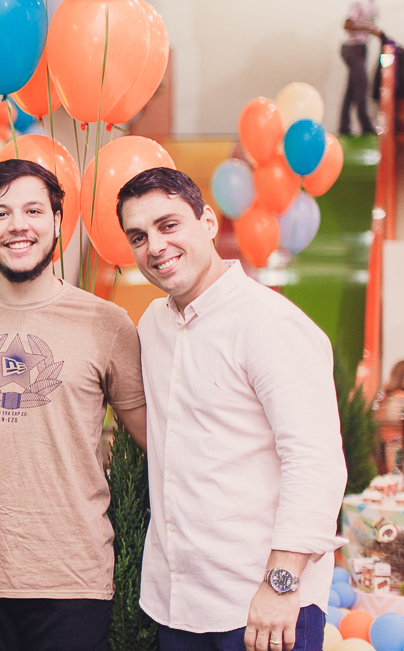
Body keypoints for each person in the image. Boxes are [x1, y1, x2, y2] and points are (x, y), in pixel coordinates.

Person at [117, 167, 346, 651]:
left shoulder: (271, 324)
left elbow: (316, 463)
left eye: (168, 224)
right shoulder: (154, 323)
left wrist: (280, 586)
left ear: (207, 221)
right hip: (178, 602)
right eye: (138, 236)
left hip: (263, 606)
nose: (154, 246)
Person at [0, 159, 146, 651]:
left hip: (73, 581)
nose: (17, 226)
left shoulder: (107, 323)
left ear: (56, 222)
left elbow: (153, 440)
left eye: (32, 210)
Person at [340, 0, 389, 136]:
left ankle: (343, 126)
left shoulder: (375, 6)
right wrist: (368, 29)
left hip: (362, 48)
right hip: (351, 47)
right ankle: (366, 126)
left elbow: (372, 27)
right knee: (362, 84)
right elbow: (347, 25)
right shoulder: (359, 0)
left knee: (351, 88)